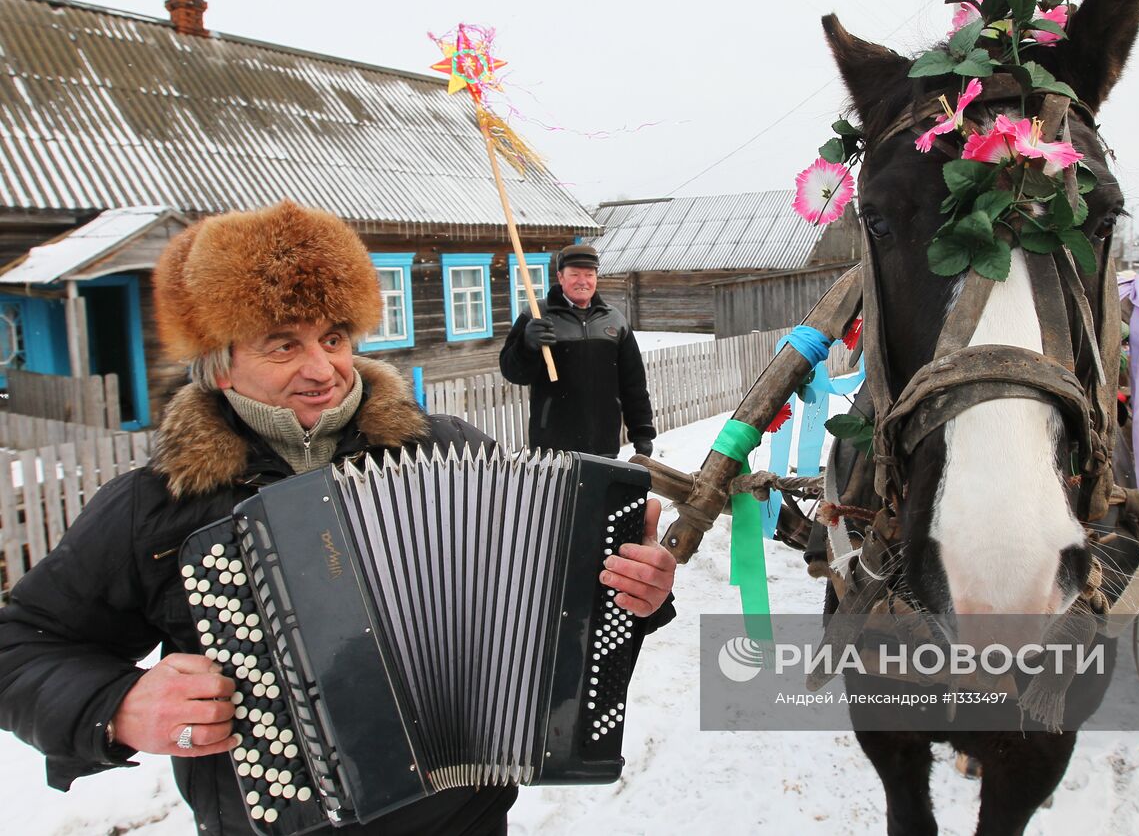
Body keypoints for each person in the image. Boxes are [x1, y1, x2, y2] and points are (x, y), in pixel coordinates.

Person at [0, 203, 676, 835]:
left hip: (463, 816)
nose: (322, 368)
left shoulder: (450, 451)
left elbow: (557, 614)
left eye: (332, 336)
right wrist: (113, 704)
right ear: (221, 365)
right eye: (282, 344)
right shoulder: (158, 504)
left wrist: (633, 592)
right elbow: (21, 645)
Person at [499, 244, 656, 458]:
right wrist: (527, 345)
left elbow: (633, 383)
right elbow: (513, 372)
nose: (583, 281)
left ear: (596, 278)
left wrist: (642, 432)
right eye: (574, 274)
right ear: (560, 277)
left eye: (589, 274)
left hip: (604, 443)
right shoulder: (537, 316)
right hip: (553, 446)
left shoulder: (614, 321)